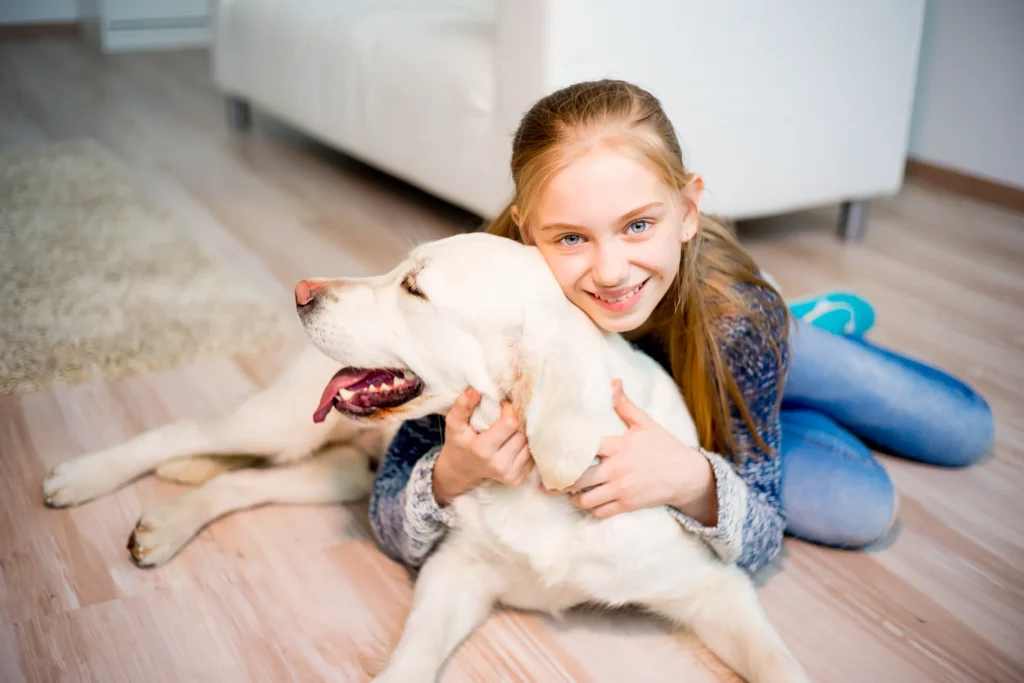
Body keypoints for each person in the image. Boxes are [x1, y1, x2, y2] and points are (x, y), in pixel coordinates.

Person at [368, 80, 995, 575]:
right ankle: (772, 406)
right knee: (863, 510)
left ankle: (801, 334)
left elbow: (759, 539)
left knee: (966, 432)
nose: (611, 271)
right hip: (698, 391)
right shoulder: (486, 301)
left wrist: (695, 479)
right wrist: (451, 473)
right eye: (570, 238)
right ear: (526, 236)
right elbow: (391, 518)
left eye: (638, 224)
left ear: (688, 211)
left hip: (730, 339)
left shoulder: (738, 323)